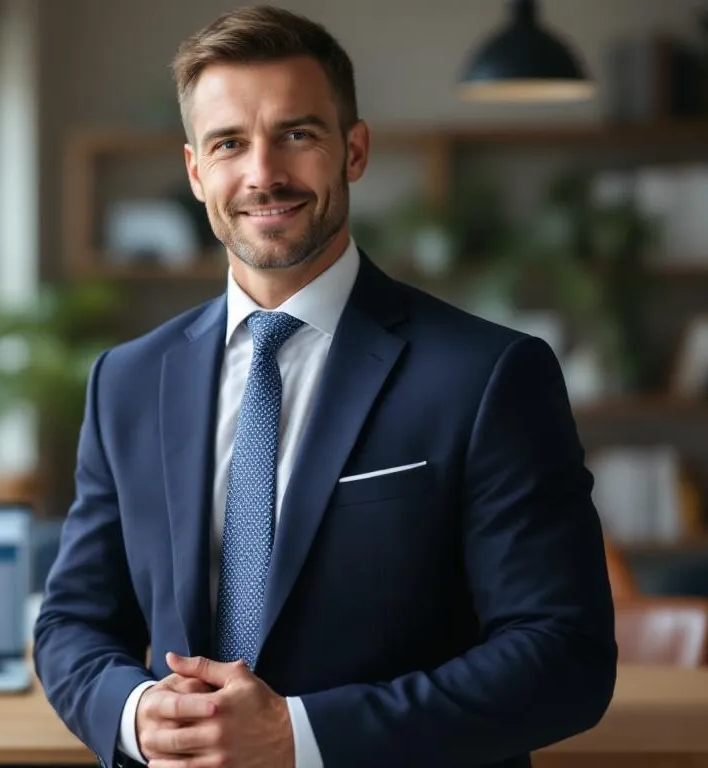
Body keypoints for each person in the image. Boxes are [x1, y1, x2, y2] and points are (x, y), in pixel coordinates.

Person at [32, 6, 617, 768]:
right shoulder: (128, 381)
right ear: (194, 169)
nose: (263, 173)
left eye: (297, 134)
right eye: (229, 143)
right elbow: (73, 619)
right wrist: (135, 712)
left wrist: (300, 737)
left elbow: (563, 657)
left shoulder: (489, 376)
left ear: (355, 149)